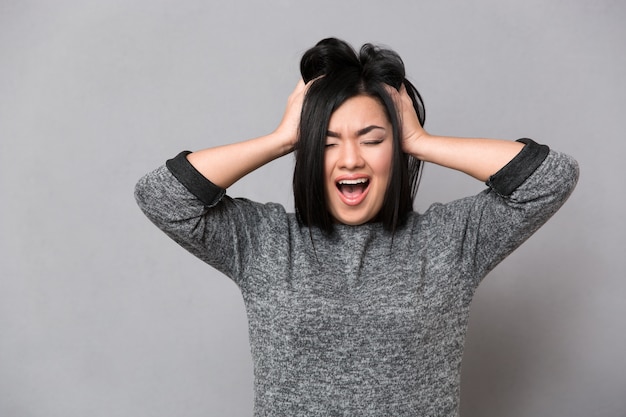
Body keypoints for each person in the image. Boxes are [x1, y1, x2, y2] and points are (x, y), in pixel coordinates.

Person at [135, 37, 578, 417]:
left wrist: (420, 141)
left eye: (372, 139)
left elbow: (550, 178)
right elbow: (162, 196)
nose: (350, 159)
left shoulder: (450, 239)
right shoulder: (264, 241)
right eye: (327, 143)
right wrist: (284, 137)